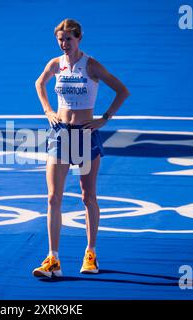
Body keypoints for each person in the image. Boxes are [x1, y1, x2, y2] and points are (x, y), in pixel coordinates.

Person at [32, 18, 130, 277]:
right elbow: (39, 84)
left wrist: (104, 118)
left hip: (86, 136)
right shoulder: (56, 64)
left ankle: (91, 253)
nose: (64, 44)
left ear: (79, 39)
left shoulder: (92, 66)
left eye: (69, 39)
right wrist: (48, 110)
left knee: (88, 197)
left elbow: (122, 91)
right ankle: (53, 259)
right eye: (60, 40)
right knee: (53, 198)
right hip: (60, 134)